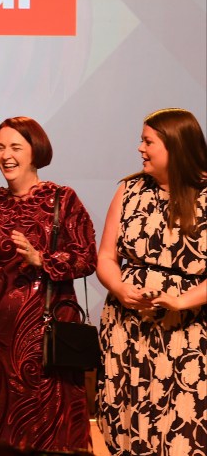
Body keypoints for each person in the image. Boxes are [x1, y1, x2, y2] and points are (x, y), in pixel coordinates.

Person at [0, 117, 97, 451]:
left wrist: (43, 260)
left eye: (15, 147)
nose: (6, 155)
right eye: (0, 147)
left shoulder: (62, 199)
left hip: (47, 337)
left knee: (52, 430)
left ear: (35, 152)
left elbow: (87, 256)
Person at [95, 108, 207, 455]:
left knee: (182, 435)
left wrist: (181, 301)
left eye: (148, 142)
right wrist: (120, 288)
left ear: (175, 146)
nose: (140, 148)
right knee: (129, 430)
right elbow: (106, 258)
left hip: (187, 336)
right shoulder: (129, 189)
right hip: (127, 331)